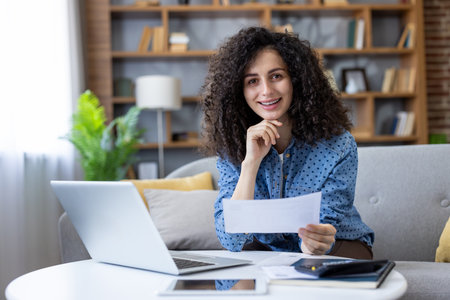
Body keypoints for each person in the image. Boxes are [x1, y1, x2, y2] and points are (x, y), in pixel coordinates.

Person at [200, 27, 374, 259]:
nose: (266, 91)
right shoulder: (233, 148)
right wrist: (250, 163)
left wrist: (313, 244)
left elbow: (325, 225)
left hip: (337, 245)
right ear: (238, 91)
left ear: (296, 80)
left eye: (276, 76)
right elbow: (231, 239)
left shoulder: (337, 145)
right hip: (268, 250)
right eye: (252, 81)